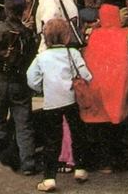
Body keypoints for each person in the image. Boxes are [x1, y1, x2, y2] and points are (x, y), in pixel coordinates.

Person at [25, 0, 82, 173]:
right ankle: (71, 156)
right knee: (69, 107)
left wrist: (43, 53)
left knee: (56, 110)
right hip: (67, 50)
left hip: (52, 52)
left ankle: (63, 157)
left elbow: (49, 22)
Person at [26, 18, 93, 192]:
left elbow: (31, 79)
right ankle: (80, 169)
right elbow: (86, 75)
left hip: (51, 102)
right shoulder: (73, 53)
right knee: (77, 134)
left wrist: (42, 87)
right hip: (71, 100)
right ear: (66, 37)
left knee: (52, 140)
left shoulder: (42, 57)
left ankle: (49, 178)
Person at [0, 0, 38, 175]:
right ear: (23, 10)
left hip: (0, 81)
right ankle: (28, 163)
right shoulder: (27, 33)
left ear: (6, 9)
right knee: (24, 123)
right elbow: (31, 58)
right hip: (20, 83)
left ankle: (0, 155)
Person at [80, 3, 128, 174]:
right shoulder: (125, 34)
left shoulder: (95, 35)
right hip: (117, 84)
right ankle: (116, 159)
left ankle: (103, 162)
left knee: (99, 124)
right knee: (115, 123)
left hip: (97, 85)